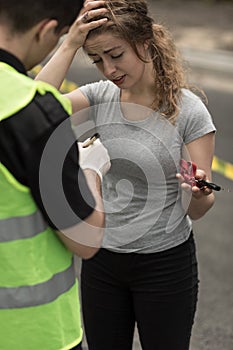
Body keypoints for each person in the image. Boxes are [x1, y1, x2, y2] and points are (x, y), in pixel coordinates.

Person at [36, 0, 217, 349]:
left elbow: (199, 207)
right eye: (98, 60)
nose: (108, 69)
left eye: (116, 54)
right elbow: (34, 105)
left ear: (145, 42)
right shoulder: (99, 97)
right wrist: (70, 42)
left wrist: (199, 192)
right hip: (103, 259)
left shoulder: (190, 112)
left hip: (165, 264)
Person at [0, 1, 111, 350]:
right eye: (58, 35)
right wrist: (92, 167)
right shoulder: (33, 113)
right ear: (46, 30)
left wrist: (68, 43)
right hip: (29, 333)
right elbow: (85, 239)